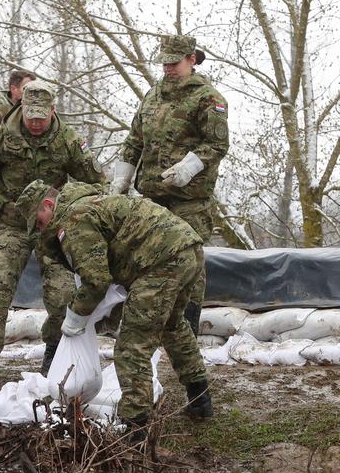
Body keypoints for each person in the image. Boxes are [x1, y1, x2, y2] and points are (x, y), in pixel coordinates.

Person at [16, 178, 214, 432]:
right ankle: (200, 400)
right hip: (187, 249)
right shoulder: (88, 204)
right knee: (173, 326)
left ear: (47, 205)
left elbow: (96, 281)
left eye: (40, 222)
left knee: (133, 344)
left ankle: (135, 425)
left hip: (160, 261)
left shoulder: (74, 219)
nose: (42, 230)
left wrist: (75, 317)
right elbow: (111, 274)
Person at [0, 80, 104, 390]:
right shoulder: (3, 135)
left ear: (53, 111)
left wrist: (89, 217)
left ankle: (53, 358)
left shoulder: (68, 140)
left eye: (42, 118)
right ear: (21, 108)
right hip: (12, 226)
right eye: (31, 117)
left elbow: (97, 182)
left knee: (62, 295)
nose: (36, 124)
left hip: (53, 228)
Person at [112, 33, 229, 335]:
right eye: (164, 63)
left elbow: (216, 145)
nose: (168, 68)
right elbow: (135, 139)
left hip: (188, 198)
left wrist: (188, 168)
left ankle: (186, 328)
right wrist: (122, 176)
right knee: (145, 257)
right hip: (152, 195)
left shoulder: (208, 98)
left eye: (174, 63)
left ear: (191, 60)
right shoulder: (153, 95)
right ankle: (147, 322)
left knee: (189, 262)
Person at [0, 68, 37, 140]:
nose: (33, 93)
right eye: (27, 88)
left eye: (35, 89)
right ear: (13, 89)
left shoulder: (40, 113)